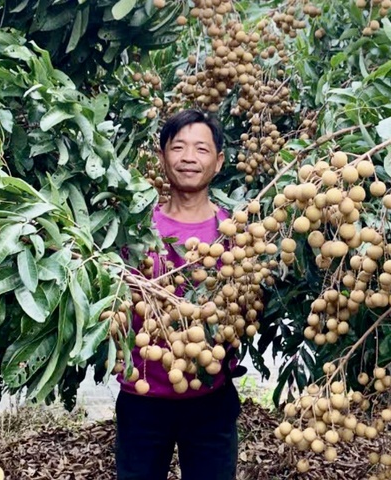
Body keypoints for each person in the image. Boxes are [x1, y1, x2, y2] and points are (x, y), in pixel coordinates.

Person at [115, 110, 241, 480]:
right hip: (142, 400)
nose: (189, 158)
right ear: (162, 157)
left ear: (218, 161)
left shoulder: (235, 233)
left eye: (201, 149)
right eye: (178, 147)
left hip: (211, 398)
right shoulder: (135, 230)